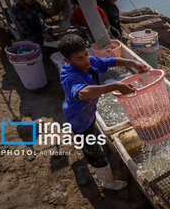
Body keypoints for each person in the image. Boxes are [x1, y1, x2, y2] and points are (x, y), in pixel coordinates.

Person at [58, 34, 149, 190]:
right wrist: (116, 86)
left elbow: (111, 61)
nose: (86, 60)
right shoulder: (69, 75)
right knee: (95, 153)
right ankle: (107, 182)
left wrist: (133, 62)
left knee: (93, 134)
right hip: (79, 121)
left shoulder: (89, 62)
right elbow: (83, 93)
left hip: (89, 113)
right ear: (68, 61)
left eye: (85, 54)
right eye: (79, 58)